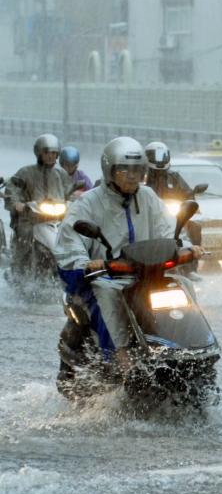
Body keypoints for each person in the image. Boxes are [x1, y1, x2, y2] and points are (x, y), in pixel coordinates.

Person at [54, 136, 203, 364]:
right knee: (108, 294)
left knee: (183, 286)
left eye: (137, 170)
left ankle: (193, 350)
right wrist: (84, 263)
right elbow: (71, 237)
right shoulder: (89, 202)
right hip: (106, 275)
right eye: (125, 170)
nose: (133, 175)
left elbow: (167, 228)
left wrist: (183, 247)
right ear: (110, 170)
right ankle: (119, 358)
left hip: (147, 273)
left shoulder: (148, 197)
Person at [5, 134, 72, 276]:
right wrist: (17, 203)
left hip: (57, 219)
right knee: (25, 234)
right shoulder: (25, 172)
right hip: (30, 218)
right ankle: (19, 269)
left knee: (75, 234)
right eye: (47, 152)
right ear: (38, 152)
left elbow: (70, 192)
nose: (50, 156)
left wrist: (74, 200)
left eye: (54, 153)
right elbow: (12, 189)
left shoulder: (61, 174)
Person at [144, 140, 202, 278]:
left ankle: (190, 268)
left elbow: (187, 193)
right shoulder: (142, 178)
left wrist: (190, 202)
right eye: (155, 155)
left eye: (162, 155)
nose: (159, 158)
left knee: (194, 227)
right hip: (149, 215)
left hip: (174, 215)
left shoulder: (174, 177)